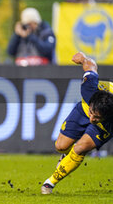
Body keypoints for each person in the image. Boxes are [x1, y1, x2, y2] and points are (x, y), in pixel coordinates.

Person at [41, 52, 113, 194]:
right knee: (61, 146)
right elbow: (91, 66)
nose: (92, 120)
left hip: (105, 127)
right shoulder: (89, 89)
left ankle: (50, 183)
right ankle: (65, 156)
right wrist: (83, 58)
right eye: (92, 114)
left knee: (80, 148)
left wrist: (99, 120)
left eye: (96, 118)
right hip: (83, 109)